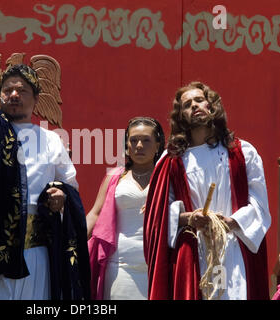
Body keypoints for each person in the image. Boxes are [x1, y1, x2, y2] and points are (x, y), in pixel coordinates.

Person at [0, 52, 90, 300]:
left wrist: (61, 196)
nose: (14, 95)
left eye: (22, 90)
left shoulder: (52, 140)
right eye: (8, 90)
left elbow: (69, 188)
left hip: (37, 255)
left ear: (35, 99)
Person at [144, 81, 271, 300]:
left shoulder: (242, 152)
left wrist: (231, 222)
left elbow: (259, 205)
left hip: (233, 248)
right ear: (180, 115)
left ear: (211, 106)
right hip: (194, 254)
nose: (194, 106)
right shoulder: (171, 160)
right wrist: (188, 218)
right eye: (187, 104)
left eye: (199, 100)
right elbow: (158, 216)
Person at [87, 117, 165, 300]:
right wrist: (72, 244)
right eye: (133, 140)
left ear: (158, 145)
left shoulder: (167, 177)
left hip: (159, 266)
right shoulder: (115, 176)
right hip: (119, 266)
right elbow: (95, 214)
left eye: (146, 140)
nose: (139, 145)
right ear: (126, 145)